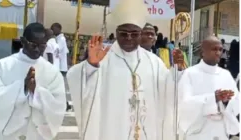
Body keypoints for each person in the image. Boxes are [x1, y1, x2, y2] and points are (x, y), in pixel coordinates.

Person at [66, 0, 185, 139]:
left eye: (134, 34)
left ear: (140, 34)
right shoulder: (103, 58)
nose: (129, 38)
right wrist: (91, 64)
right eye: (124, 33)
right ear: (116, 33)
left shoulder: (154, 63)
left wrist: (178, 70)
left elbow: (169, 91)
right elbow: (76, 79)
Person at [0, 23, 66, 140]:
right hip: (6, 135)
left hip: (36, 134)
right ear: (22, 41)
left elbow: (58, 104)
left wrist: (37, 92)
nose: (37, 50)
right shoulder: (2, 66)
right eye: (33, 45)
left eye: (42, 46)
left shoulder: (52, 72)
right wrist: (22, 88)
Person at [178, 36, 239, 140]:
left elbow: (237, 104)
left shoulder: (225, 75)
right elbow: (184, 103)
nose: (218, 53)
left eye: (220, 49)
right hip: (198, 132)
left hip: (220, 132)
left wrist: (225, 102)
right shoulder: (190, 73)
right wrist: (213, 99)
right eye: (214, 49)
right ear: (202, 53)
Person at [51, 23, 71, 111]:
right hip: (58, 66)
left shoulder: (61, 39)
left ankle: (66, 104)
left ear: (59, 29)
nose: (52, 30)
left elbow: (56, 49)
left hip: (61, 67)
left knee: (60, 87)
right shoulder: (58, 38)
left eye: (53, 29)